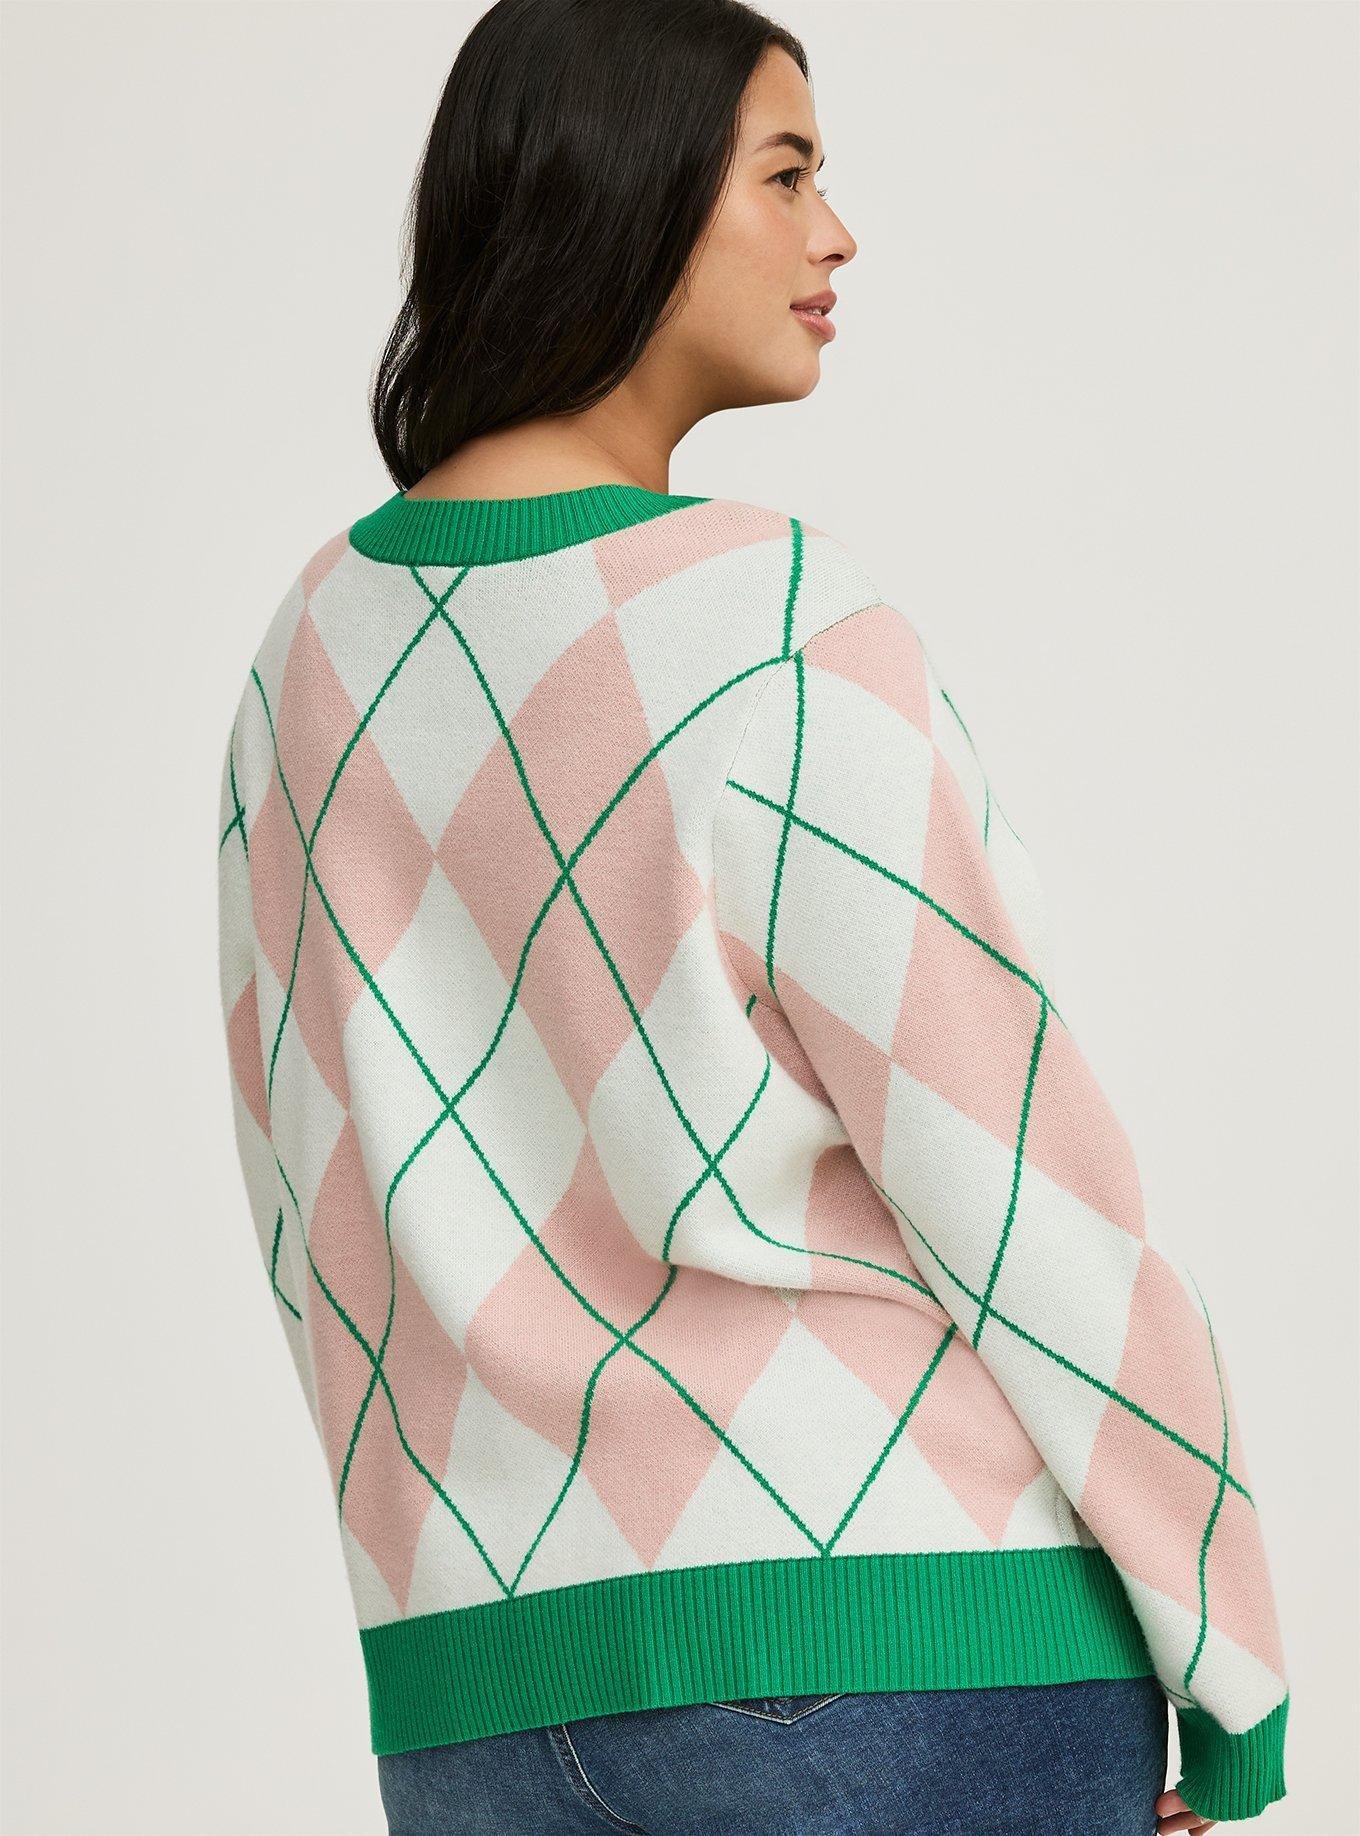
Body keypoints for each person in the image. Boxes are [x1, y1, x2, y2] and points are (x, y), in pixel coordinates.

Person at [214, 1, 1291, 1830]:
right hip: (910, 1642)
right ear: (623, 187)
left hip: (477, 1701)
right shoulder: (774, 621)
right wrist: (1231, 1664)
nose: (836, 233)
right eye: (787, 174)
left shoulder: (303, 659)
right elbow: (1011, 1176)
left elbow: (316, 1216)